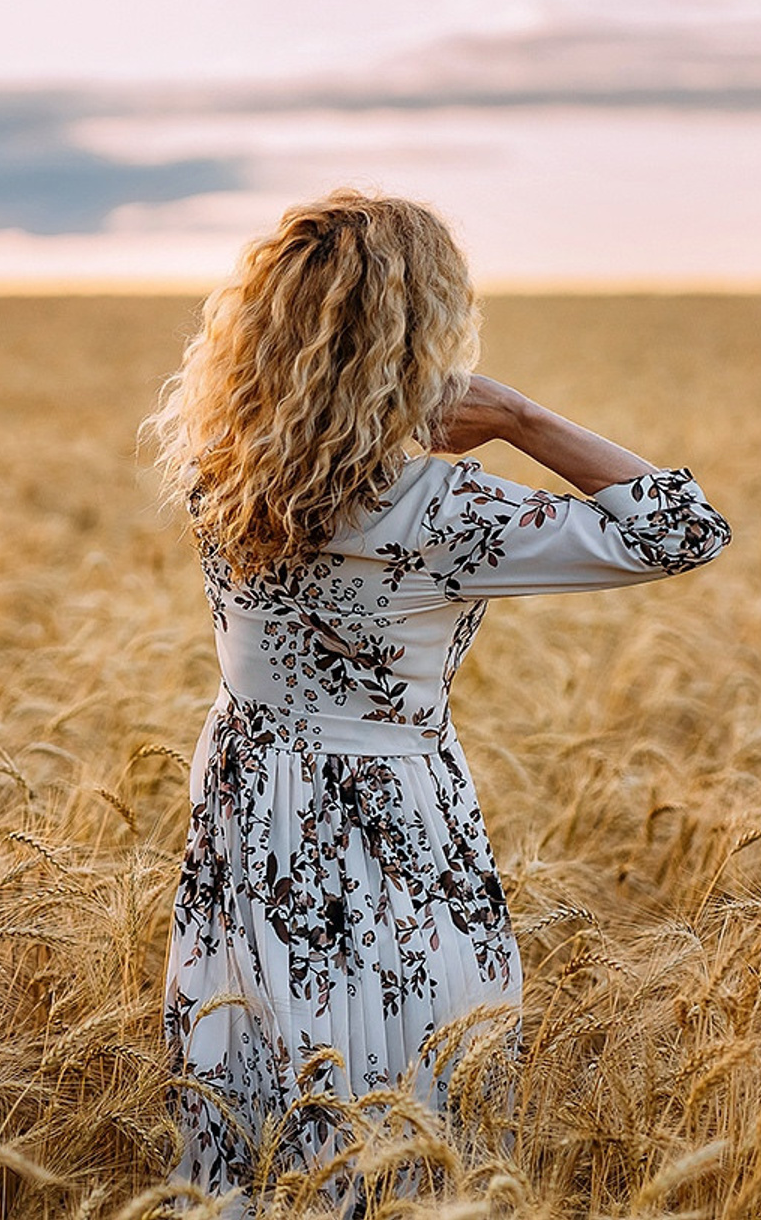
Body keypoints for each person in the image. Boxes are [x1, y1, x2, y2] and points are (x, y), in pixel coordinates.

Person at [145, 188, 731, 1208]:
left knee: (254, 1085)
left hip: (248, 803)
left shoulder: (219, 478)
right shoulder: (442, 510)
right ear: (420, 341)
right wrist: (519, 417)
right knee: (407, 1095)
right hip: (392, 817)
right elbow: (683, 529)